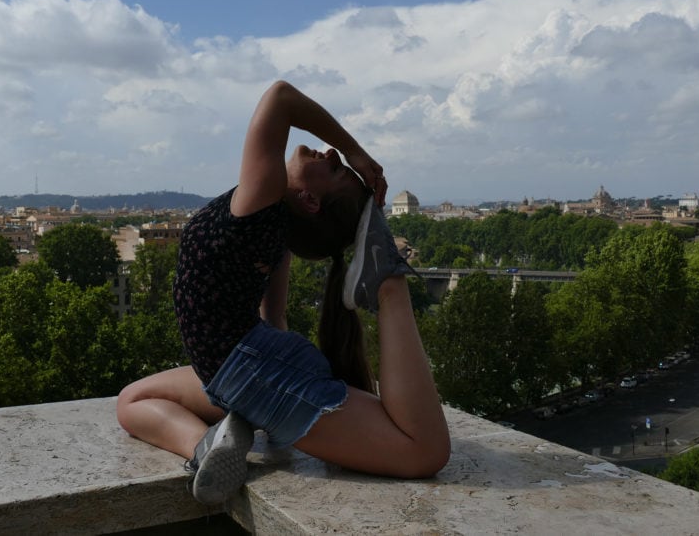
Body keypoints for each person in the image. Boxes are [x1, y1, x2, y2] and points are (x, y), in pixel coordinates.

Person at [116, 80, 450, 505]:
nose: (329, 153)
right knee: (133, 400)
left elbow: (280, 97)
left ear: (308, 199)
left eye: (333, 168)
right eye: (337, 160)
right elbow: (274, 319)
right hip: (232, 368)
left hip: (244, 367)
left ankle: (388, 283)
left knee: (424, 451)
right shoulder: (277, 229)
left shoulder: (263, 200)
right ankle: (211, 444)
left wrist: (355, 153)